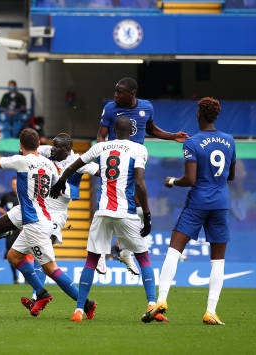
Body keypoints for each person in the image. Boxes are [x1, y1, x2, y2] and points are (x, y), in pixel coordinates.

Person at [51, 116, 164, 323]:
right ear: (132, 130)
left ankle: (78, 311)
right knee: (143, 257)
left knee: (91, 261)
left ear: (113, 130)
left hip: (103, 211)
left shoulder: (100, 147)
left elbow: (73, 166)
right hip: (126, 212)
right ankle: (151, 304)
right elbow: (139, 183)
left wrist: (61, 181)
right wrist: (147, 214)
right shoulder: (139, 149)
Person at [143, 97, 236, 325]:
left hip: (197, 203)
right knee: (218, 260)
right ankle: (211, 311)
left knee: (174, 250)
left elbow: (191, 179)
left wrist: (173, 181)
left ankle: (161, 300)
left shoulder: (192, 143)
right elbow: (230, 176)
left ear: (199, 115)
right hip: (221, 203)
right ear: (216, 115)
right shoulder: (229, 141)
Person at [0, 123, 96, 318]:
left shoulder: (22, 161)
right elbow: (58, 186)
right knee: (13, 256)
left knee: (50, 268)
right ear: (39, 144)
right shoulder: (48, 164)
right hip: (38, 216)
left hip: (35, 223)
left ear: (21, 145)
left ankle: (85, 304)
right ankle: (41, 292)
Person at [95, 77, 189, 276]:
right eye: (115, 91)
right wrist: (103, 156)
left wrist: (173, 136)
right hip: (117, 164)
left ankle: (125, 251)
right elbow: (101, 135)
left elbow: (152, 130)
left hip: (136, 163)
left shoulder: (146, 107)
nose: (115, 95)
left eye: (119, 92)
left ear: (131, 93)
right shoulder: (111, 108)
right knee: (114, 206)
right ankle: (102, 254)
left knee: (134, 208)